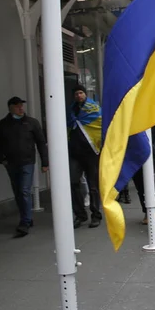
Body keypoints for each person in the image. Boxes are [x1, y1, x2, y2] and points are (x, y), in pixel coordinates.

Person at [0, 97, 48, 236]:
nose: (21, 108)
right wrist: (2, 159)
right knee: (18, 191)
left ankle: (25, 221)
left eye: (21, 106)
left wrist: (45, 162)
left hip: (27, 162)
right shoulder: (3, 124)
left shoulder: (31, 123)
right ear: (10, 107)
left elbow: (41, 142)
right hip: (11, 163)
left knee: (24, 190)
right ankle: (27, 218)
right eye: (17, 106)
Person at [67, 85, 103, 229]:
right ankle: (80, 215)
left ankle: (96, 215)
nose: (79, 95)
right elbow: (68, 127)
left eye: (81, 93)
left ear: (85, 94)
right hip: (75, 153)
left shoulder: (94, 109)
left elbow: (100, 126)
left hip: (91, 152)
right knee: (74, 183)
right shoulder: (71, 110)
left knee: (93, 186)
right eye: (76, 93)